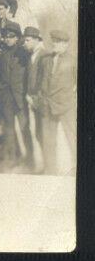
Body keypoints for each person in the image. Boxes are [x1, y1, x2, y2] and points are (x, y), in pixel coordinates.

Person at [39, 30, 77, 175]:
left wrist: (72, 99)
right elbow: (42, 82)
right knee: (48, 139)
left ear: (66, 45)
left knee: (73, 138)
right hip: (47, 104)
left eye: (58, 42)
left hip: (66, 105)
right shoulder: (46, 60)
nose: (55, 44)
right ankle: (50, 170)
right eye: (54, 41)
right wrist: (41, 99)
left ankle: (78, 170)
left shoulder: (73, 61)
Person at [0, 25, 32, 169]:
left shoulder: (24, 53)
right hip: (6, 96)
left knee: (25, 127)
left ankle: (29, 158)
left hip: (20, 95)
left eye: (11, 36)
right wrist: (1, 89)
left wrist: (26, 92)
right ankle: (11, 158)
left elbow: (29, 74)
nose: (8, 39)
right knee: (8, 128)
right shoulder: (2, 53)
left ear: (17, 38)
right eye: (6, 36)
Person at [22, 26, 46, 172]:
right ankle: (40, 165)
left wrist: (36, 98)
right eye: (25, 40)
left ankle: (47, 165)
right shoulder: (32, 55)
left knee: (42, 133)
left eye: (28, 40)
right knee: (37, 132)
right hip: (32, 99)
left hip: (40, 101)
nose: (25, 43)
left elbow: (44, 80)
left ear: (37, 40)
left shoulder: (44, 55)